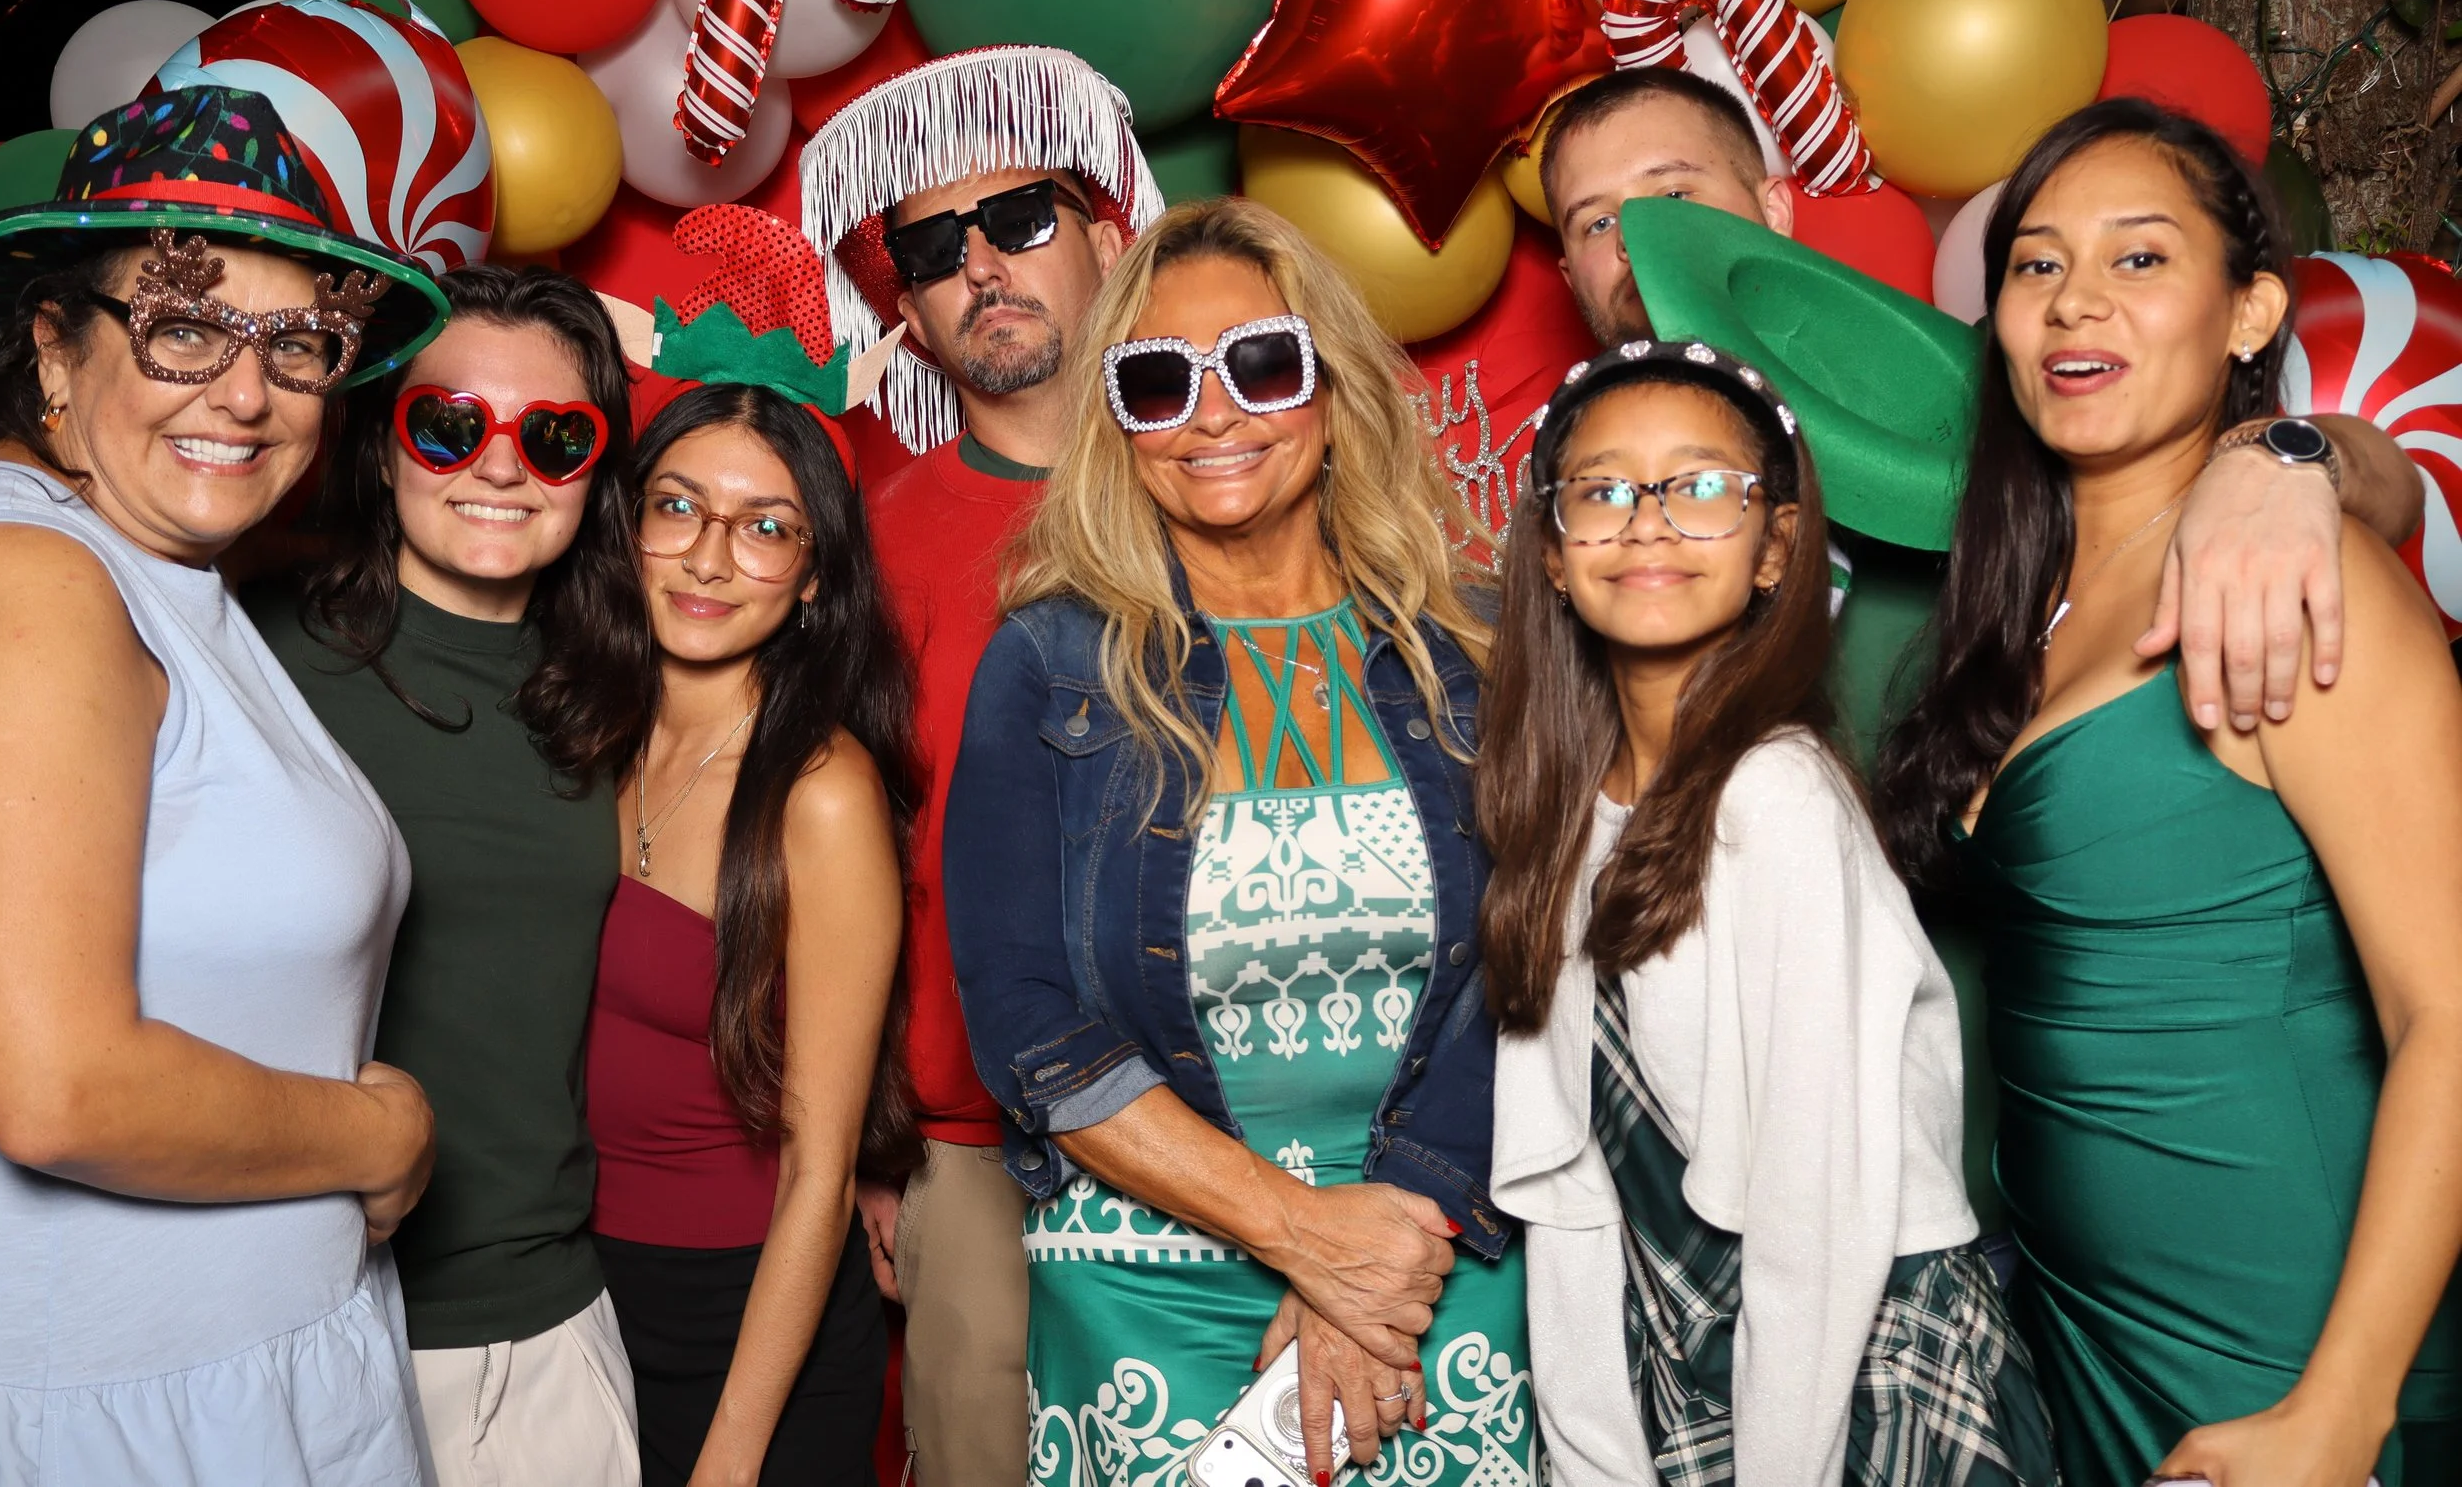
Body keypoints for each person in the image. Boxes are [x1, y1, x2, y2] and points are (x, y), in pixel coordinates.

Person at [1876, 99, 2462, 1485]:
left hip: (2286, 1329)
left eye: (2140, 259)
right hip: (2083, 1325)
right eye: (2037, 263)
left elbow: (2450, 1008)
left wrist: (2345, 1402)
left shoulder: (2295, 585)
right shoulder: (2023, 606)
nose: (2078, 301)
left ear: (2252, 310)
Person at [948, 196, 1535, 1486]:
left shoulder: (1478, 651)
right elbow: (1026, 1022)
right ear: (1118, 420)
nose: (1212, 415)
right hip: (1151, 1287)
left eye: (1260, 362)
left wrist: (1382, 1248)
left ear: (1329, 384)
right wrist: (1305, 1238)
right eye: (1158, 382)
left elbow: (1528, 957)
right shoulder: (1048, 664)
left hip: (1435, 1264)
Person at [0, 87, 450, 1483]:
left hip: (246, 1380)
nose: (245, 391)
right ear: (56, 342)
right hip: (111, 1417)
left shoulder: (155, 567)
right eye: (185, 323)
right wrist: (383, 1125)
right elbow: (54, 1083)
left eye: (299, 344)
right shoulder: (30, 577)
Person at [1481, 342, 2056, 1487]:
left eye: (1701, 487)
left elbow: (1818, 1209)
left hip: (1861, 1365)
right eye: (1603, 489)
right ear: (1552, 553)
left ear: (1774, 549)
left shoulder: (1777, 797)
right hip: (1685, 1368)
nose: (1649, 522)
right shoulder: (1555, 823)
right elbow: (1573, 1202)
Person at [1539, 64, 2425, 735]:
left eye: (1674, 195)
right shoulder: (1566, 507)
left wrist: (2281, 460)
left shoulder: (1957, 398)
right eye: (1598, 221)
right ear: (1571, 269)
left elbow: (2391, 485)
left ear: (1772, 211)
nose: (1641, 241)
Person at [797, 43, 1163, 1487]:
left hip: (1248, 1112)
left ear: (1103, 236)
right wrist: (883, 1137)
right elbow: (845, 847)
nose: (981, 268)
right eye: (932, 248)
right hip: (976, 1145)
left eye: (1018, 219)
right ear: (906, 299)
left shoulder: (1223, 468)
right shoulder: (865, 536)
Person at [250, 265, 646, 1486]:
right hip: (279, 1331)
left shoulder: (624, 695)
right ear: (383, 444)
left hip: (533, 1339)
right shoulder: (249, 657)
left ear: (595, 470)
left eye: (556, 435)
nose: (499, 465)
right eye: (449, 423)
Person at [582, 352, 917, 1487]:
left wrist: (731, 1454)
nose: (711, 556)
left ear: (815, 575)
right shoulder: (587, 733)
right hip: (581, 1301)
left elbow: (818, 1175)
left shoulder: (822, 793)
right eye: (677, 507)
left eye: (766, 526)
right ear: (626, 528)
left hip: (750, 1318)